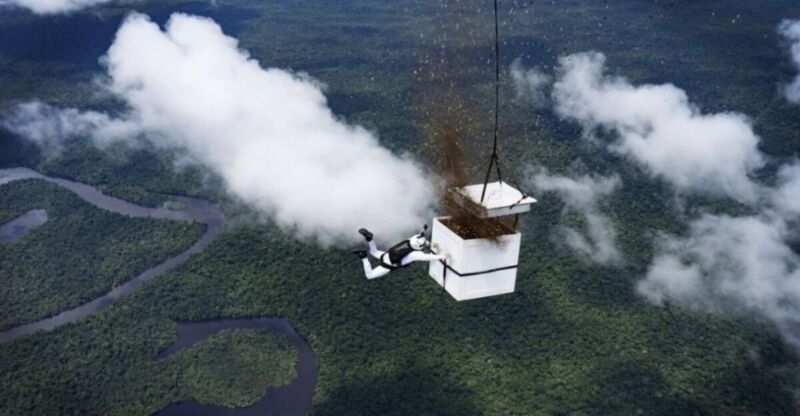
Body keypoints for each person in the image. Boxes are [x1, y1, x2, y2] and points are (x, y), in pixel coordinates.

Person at [353, 227, 448, 280]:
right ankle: (363, 257)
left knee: (374, 251)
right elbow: (427, 257)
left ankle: (370, 239)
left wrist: (431, 244)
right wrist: (443, 256)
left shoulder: (411, 239)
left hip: (386, 255)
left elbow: (420, 239)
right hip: (388, 264)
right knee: (370, 276)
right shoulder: (415, 254)